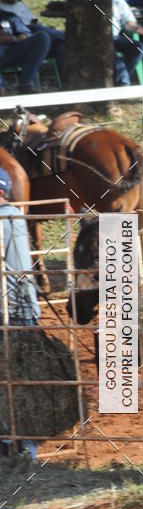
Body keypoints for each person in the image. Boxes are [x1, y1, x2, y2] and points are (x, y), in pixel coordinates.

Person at [0, 167, 40, 461]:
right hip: (23, 309)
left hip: (9, 311)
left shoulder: (4, 219)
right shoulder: (15, 215)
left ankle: (20, 451)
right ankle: (21, 450)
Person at [0, 0, 65, 75]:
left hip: (35, 34)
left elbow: (34, 21)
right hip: (22, 40)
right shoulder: (2, 10)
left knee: (61, 45)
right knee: (38, 31)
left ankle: (66, 80)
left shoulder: (21, 5)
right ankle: (69, 36)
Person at [111, 0, 143, 86]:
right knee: (111, 53)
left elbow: (128, 23)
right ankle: (123, 82)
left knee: (139, 47)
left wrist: (136, 27)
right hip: (98, 40)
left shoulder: (117, 1)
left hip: (115, 38)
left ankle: (124, 77)